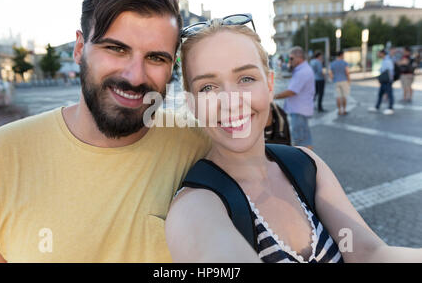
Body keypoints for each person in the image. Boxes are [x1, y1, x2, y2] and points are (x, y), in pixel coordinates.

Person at [0, 0, 212, 263]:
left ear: (172, 64)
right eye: (116, 49)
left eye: (155, 57)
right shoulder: (0, 155)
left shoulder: (199, 146)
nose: (135, 76)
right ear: (79, 47)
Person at [165, 17, 422, 263]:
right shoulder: (194, 206)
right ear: (192, 104)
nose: (231, 102)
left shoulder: (307, 164)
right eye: (208, 87)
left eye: (246, 78)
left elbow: (368, 253)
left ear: (269, 85)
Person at [274, 47, 315, 150]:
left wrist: (274, 96)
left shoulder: (302, 72)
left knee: (300, 141)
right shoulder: (302, 70)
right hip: (301, 109)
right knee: (305, 139)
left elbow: (292, 91)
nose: (289, 61)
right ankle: (309, 160)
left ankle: (302, 162)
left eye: (291, 58)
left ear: (299, 58)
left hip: (299, 110)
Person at [369, 50, 395, 115]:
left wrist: (389, 80)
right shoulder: (385, 60)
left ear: (382, 54)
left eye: (379, 54)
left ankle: (390, 108)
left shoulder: (387, 60)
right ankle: (377, 107)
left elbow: (390, 71)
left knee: (389, 94)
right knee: (381, 94)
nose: (378, 55)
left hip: (387, 81)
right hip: (385, 81)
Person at [330, 51, 351, 116]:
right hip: (344, 80)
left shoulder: (332, 63)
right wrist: (349, 80)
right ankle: (344, 110)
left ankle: (339, 110)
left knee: (338, 97)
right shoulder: (344, 63)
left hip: (336, 81)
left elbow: (330, 73)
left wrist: (333, 79)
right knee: (344, 96)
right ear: (341, 55)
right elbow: (347, 72)